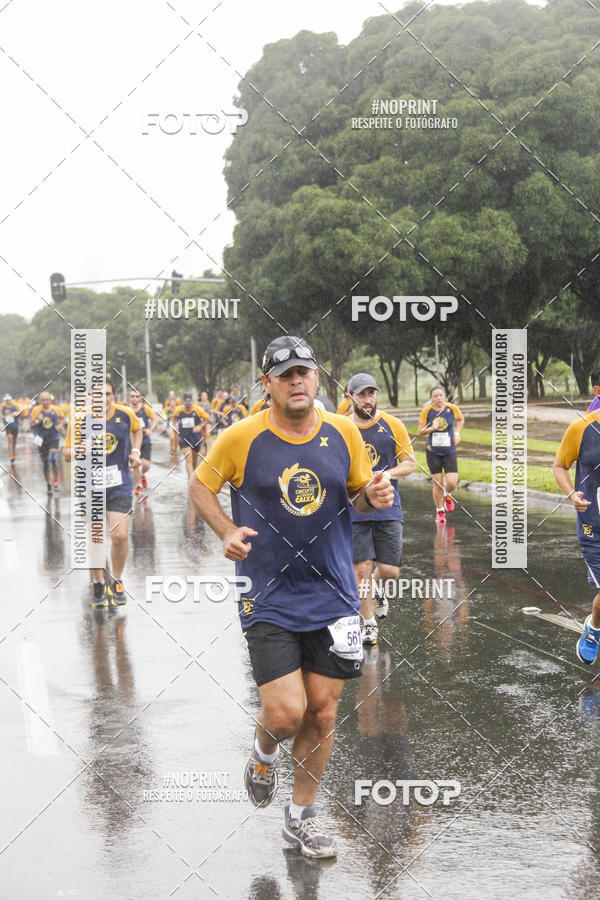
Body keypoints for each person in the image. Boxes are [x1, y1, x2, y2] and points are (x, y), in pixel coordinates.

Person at [190, 335, 394, 858]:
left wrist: (370, 493)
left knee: (322, 713)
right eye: (285, 375)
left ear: (317, 378)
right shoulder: (241, 438)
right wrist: (224, 532)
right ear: (268, 384)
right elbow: (200, 485)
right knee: (285, 713)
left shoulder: (344, 431)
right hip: (269, 594)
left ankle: (300, 818)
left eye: (304, 372)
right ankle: (263, 754)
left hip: (334, 593)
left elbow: (354, 486)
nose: (297, 381)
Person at [347, 373, 416, 645]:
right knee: (361, 568)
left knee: (390, 571)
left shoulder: (393, 425)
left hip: (388, 506)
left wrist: (388, 474)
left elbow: (409, 462)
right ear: (350, 396)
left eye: (371, 393)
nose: (368, 399)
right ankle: (368, 622)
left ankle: (378, 589)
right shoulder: (343, 427)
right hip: (354, 507)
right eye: (362, 394)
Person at [64, 379, 142, 607]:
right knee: (97, 539)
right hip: (90, 487)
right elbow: (67, 454)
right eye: (97, 395)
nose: (102, 399)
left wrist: (136, 451)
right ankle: (98, 582)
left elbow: (137, 431)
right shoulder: (79, 419)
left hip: (120, 484)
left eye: (107, 394)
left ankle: (116, 580)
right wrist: (81, 448)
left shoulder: (126, 414)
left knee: (119, 536)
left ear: (113, 396)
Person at [553, 404, 600, 663]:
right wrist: (572, 495)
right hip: (593, 525)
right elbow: (560, 465)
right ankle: (593, 629)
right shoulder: (581, 427)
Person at [418, 385, 464, 524]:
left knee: (452, 482)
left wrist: (457, 433)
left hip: (449, 450)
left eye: (441, 395)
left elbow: (460, 419)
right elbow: (420, 430)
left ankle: (447, 494)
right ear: (431, 398)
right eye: (435, 396)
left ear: (444, 396)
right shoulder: (427, 411)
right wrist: (432, 428)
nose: (438, 398)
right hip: (433, 451)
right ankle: (440, 511)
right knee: (438, 483)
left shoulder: (452, 408)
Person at [30, 392, 65, 495]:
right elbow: (31, 426)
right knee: (45, 463)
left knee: (53, 458)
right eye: (43, 400)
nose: (45, 402)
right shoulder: (36, 410)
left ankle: (55, 482)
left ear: (50, 400)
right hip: (41, 439)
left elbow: (63, 419)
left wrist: (60, 425)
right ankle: (49, 485)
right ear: (40, 401)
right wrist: (37, 420)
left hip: (54, 437)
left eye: (47, 399)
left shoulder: (56, 409)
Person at [172, 392, 210, 479]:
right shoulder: (179, 410)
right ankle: (191, 480)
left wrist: (200, 426)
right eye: (186, 403)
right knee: (188, 459)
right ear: (183, 402)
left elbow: (207, 418)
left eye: (189, 403)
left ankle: (192, 475)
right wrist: (175, 425)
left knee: (194, 460)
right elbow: (173, 417)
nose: (188, 405)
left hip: (195, 437)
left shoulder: (198, 410)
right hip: (183, 437)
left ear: (192, 402)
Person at [128, 390, 156, 496]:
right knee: (135, 464)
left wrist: (150, 429)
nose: (134, 398)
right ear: (129, 398)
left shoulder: (145, 409)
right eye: (132, 396)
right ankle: (138, 485)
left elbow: (154, 419)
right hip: (132, 441)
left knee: (146, 465)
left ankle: (142, 475)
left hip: (145, 439)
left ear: (140, 398)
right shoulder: (127, 410)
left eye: (137, 396)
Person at [2, 394, 22, 462]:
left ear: (10, 400)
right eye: (6, 400)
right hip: (7, 426)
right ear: (4, 400)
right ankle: (11, 456)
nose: (7, 401)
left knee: (14, 441)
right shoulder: (2, 406)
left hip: (15, 425)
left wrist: (15, 414)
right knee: (10, 438)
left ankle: (13, 452)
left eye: (8, 400)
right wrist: (2, 416)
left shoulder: (14, 405)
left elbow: (20, 411)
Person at [164, 391, 180, 456]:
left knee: (176, 439)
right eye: (171, 402)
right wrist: (165, 418)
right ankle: (171, 449)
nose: (172, 403)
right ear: (169, 403)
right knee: (172, 438)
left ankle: (175, 450)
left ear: (175, 403)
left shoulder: (178, 409)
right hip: (169, 424)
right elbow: (164, 416)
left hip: (177, 424)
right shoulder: (167, 409)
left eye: (173, 402)